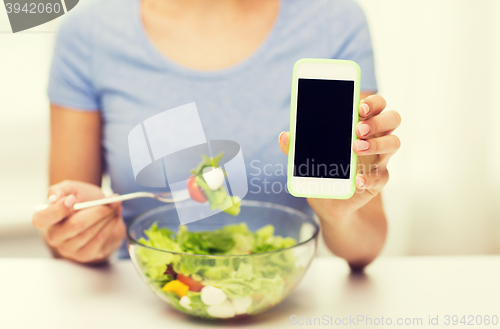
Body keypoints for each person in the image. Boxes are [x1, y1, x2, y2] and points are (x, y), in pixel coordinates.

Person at [32, 0, 401, 270]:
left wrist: (337, 212)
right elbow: (64, 239)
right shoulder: (88, 32)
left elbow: (365, 246)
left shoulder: (335, 23)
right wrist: (84, 234)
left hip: (284, 302)